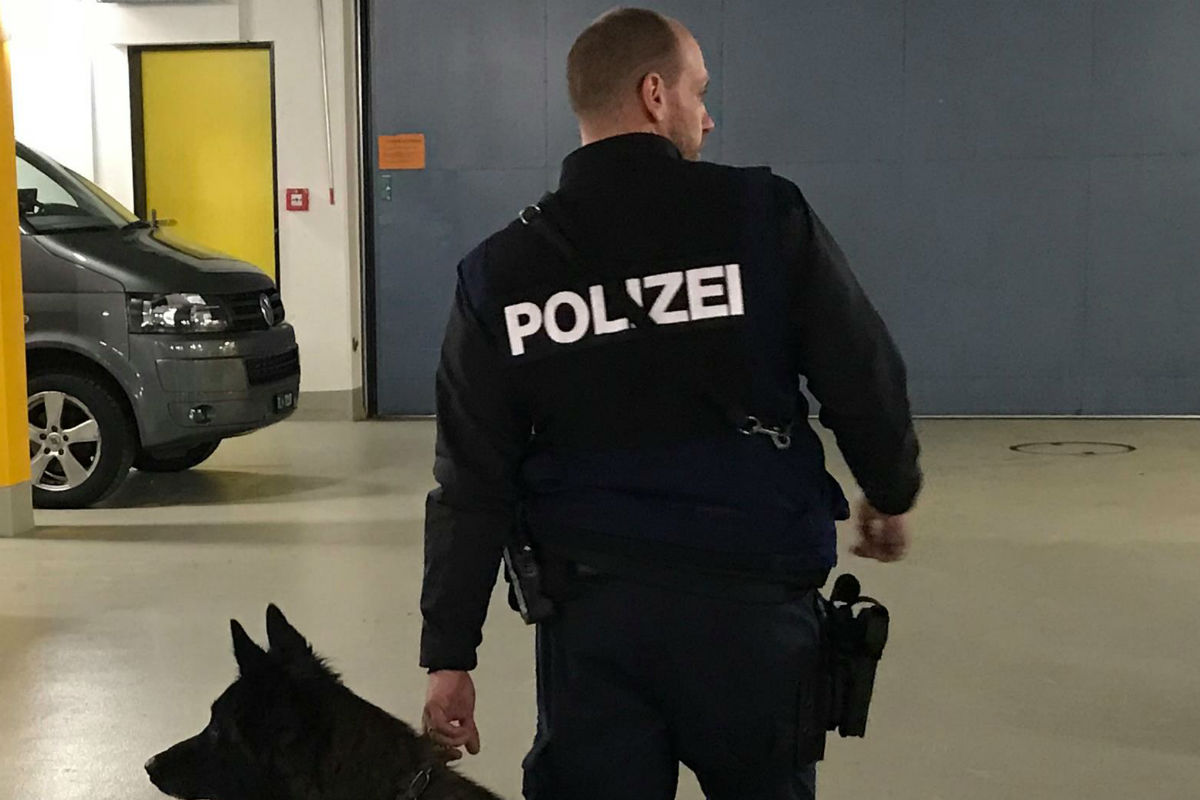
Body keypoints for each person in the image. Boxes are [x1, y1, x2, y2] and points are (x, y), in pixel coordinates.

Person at [419, 7, 921, 799]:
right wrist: (889, 490)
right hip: (752, 606)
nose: (706, 116)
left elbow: (471, 479)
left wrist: (450, 655)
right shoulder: (763, 215)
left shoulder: (503, 271)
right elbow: (860, 371)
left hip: (593, 623)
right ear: (655, 95)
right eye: (699, 90)